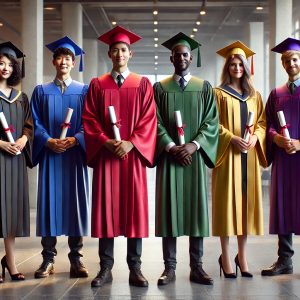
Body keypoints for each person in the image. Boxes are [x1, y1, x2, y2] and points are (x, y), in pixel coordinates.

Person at [82, 25, 157, 288]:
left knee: (133, 211)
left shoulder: (143, 84)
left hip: (132, 158)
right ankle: (105, 268)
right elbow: (89, 119)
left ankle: (135, 268)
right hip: (107, 156)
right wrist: (106, 141)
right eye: (115, 50)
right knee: (106, 211)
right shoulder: (97, 85)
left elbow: (149, 120)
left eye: (123, 50)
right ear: (109, 53)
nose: (119, 54)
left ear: (130, 53)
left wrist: (131, 143)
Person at [154, 32, 219, 286]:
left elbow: (211, 122)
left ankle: (197, 266)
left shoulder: (204, 88)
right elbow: (153, 122)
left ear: (190, 58)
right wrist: (171, 147)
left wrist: (193, 145)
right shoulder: (159, 88)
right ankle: (169, 268)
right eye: (176, 54)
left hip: (194, 159)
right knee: (168, 211)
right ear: (171, 57)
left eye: (185, 54)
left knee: (195, 211)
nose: (180, 58)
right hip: (170, 158)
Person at [30, 36, 90, 279]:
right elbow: (34, 121)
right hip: (52, 156)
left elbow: (92, 123)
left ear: (73, 63)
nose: (63, 61)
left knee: (75, 205)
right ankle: (48, 259)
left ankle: (76, 259)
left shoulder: (84, 91)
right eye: (59, 57)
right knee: (49, 205)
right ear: (53, 61)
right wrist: (48, 141)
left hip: (74, 156)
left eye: (68, 58)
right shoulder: (41, 91)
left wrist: (76, 139)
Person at [211, 41, 267, 278]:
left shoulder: (255, 96)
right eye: (232, 64)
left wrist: (256, 137)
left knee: (245, 209)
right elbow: (211, 125)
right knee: (226, 208)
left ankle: (241, 257)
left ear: (246, 67)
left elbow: (263, 123)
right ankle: (225, 256)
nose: (236, 68)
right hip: (227, 158)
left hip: (249, 160)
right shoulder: (218, 93)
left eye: (240, 64)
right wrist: (231, 138)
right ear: (227, 67)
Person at [262, 37, 300, 276]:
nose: (291, 63)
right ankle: (284, 260)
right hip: (284, 160)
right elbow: (266, 124)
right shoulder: (276, 94)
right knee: (284, 206)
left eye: (295, 59)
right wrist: (275, 138)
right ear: (283, 65)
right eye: (287, 61)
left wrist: (299, 143)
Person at [0, 42, 33, 281]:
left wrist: (22, 138)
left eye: (10, 64)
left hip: (14, 161)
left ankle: (10, 263)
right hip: (0, 156)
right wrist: (1, 144)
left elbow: (29, 126)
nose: (5, 68)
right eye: (1, 63)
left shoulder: (22, 98)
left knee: (10, 213)